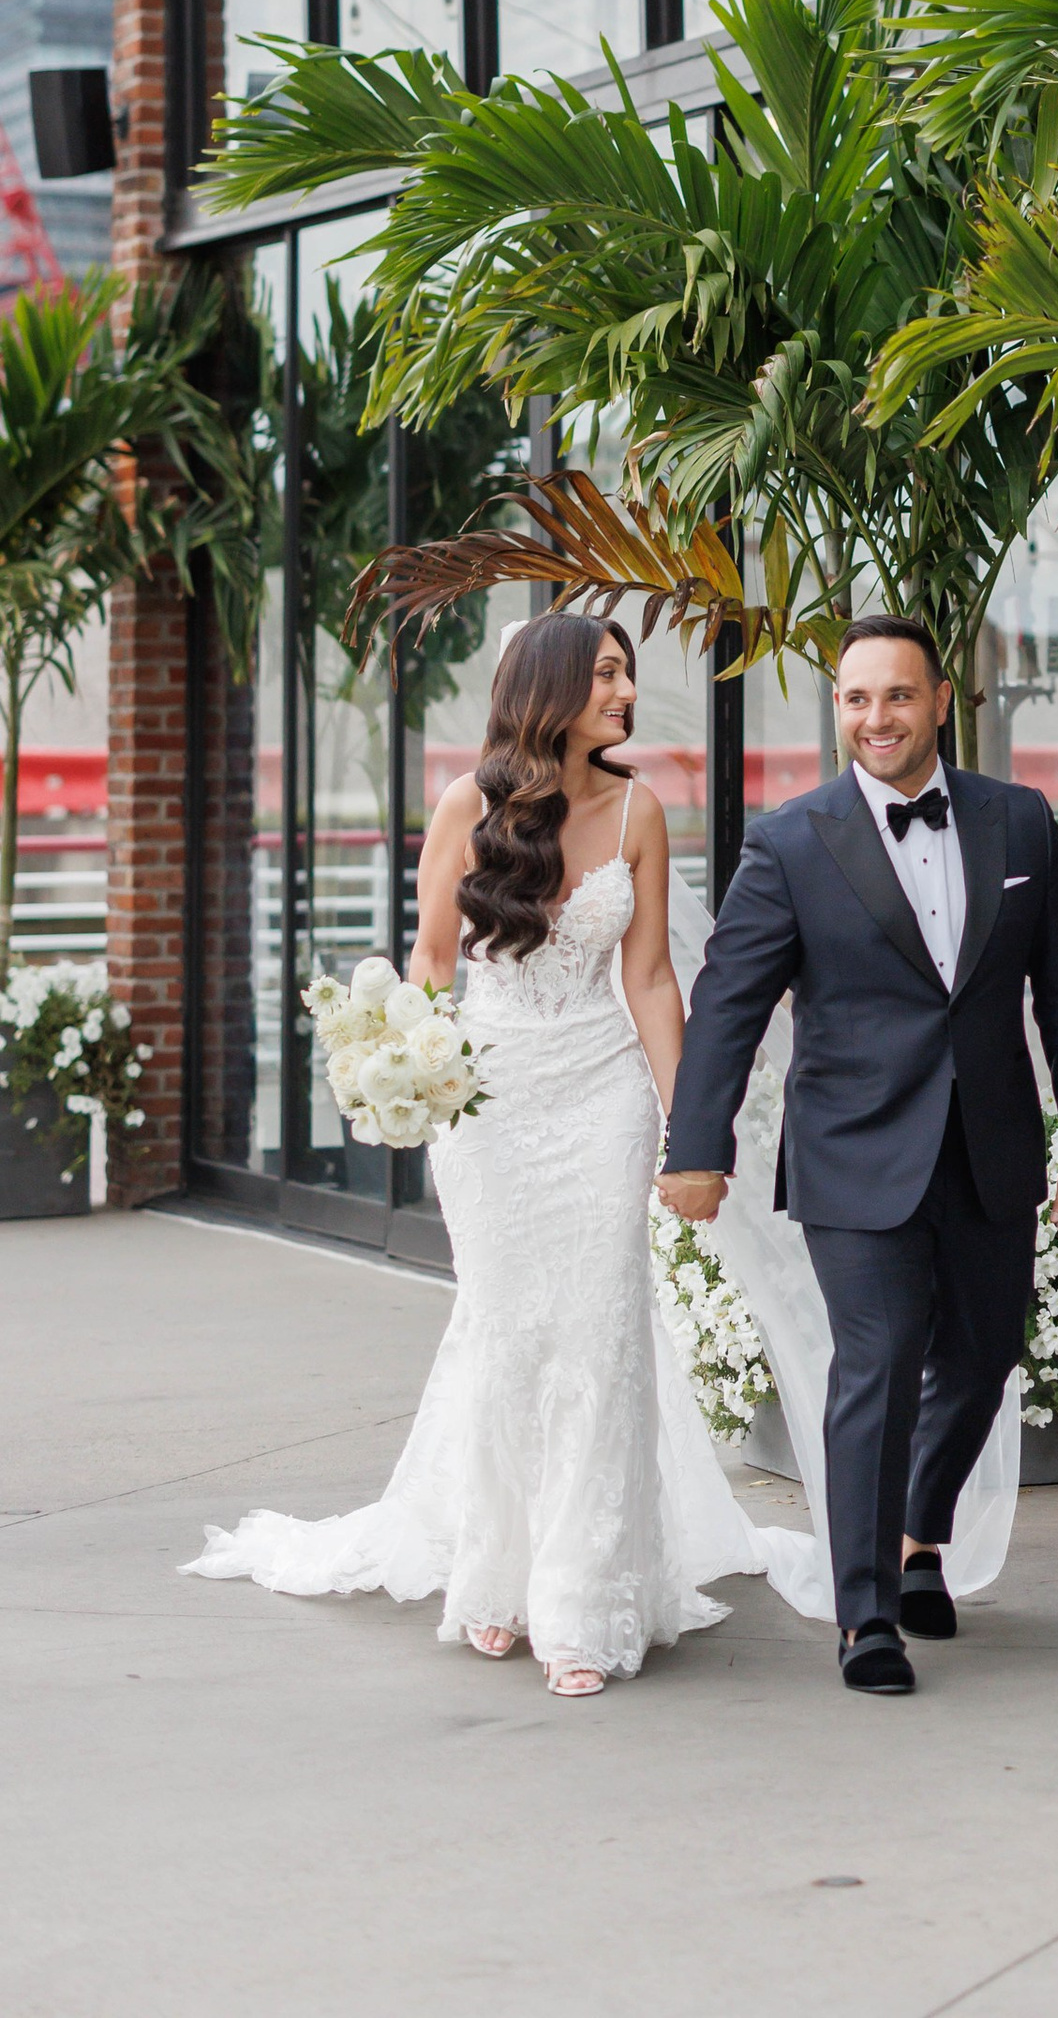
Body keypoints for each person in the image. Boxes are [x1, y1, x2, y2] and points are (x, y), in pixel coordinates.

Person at [188, 611, 829, 1691]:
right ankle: (497, 1578)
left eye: (628, 673)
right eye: (609, 674)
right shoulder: (466, 804)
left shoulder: (637, 807)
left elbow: (653, 982)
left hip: (603, 1099)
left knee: (597, 1337)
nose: (627, 691)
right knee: (508, 1336)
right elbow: (433, 957)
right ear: (551, 688)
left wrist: (692, 1129)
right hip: (487, 1107)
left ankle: (579, 1602)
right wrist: (410, 1081)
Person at [659, 610, 1058, 1694]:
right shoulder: (791, 840)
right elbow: (727, 1005)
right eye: (857, 698)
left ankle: (918, 1531)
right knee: (878, 1356)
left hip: (992, 1145)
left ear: (941, 699)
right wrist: (697, 1144)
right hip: (854, 1151)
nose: (877, 718)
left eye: (898, 695)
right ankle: (867, 1615)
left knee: (985, 1354)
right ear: (838, 710)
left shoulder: (1020, 822)